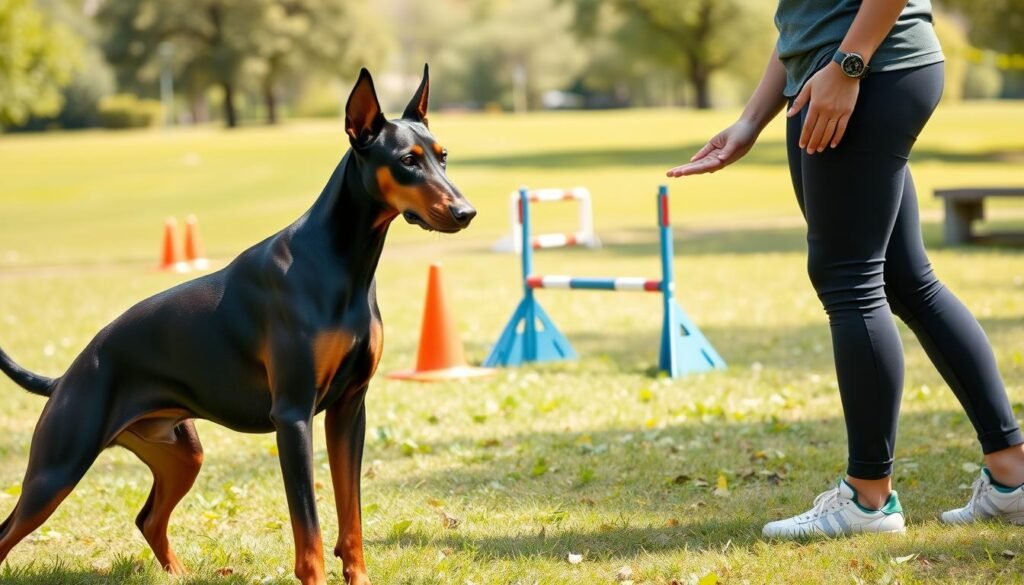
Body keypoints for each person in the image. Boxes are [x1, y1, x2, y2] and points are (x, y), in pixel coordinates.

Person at [667, 0, 1024, 538]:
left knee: (849, 280)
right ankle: (1012, 478)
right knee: (905, 281)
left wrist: (848, 65)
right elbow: (804, 19)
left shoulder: (853, 65)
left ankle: (868, 499)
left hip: (866, 72)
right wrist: (749, 121)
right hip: (856, 71)